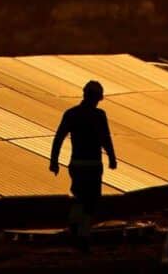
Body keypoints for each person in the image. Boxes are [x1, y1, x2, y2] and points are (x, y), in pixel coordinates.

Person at [50, 80, 117, 251]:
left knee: (79, 197)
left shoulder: (71, 114)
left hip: (77, 164)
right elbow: (106, 138)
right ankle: (83, 236)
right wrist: (112, 157)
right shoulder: (99, 115)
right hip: (93, 164)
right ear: (98, 98)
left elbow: (59, 137)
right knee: (91, 201)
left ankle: (75, 225)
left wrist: (54, 161)